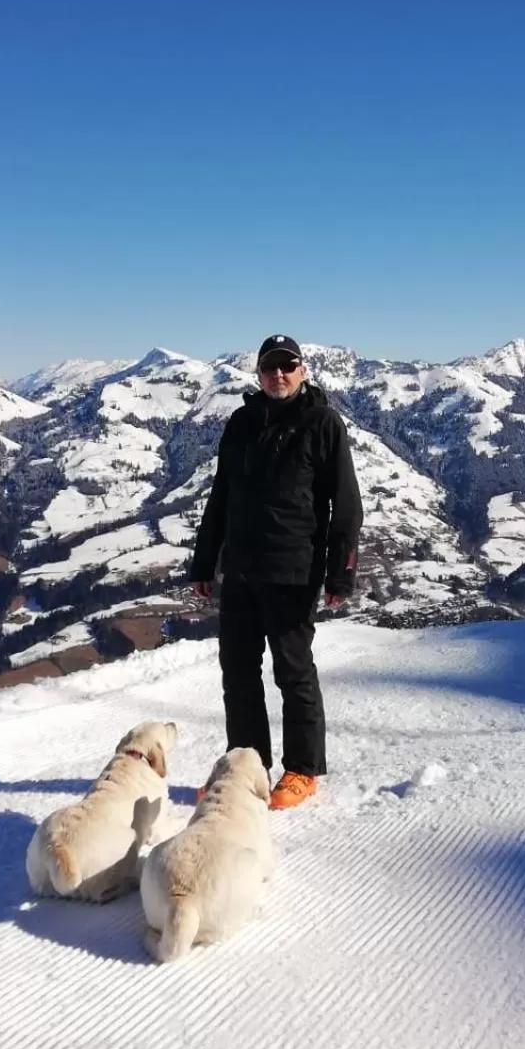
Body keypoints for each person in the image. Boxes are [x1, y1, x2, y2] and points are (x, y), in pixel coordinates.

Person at [189, 334, 363, 810]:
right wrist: (205, 560)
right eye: (270, 367)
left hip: (292, 571)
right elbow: (221, 496)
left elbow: (346, 505)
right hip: (241, 570)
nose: (279, 374)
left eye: (288, 366)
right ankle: (246, 770)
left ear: (302, 370)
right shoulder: (242, 423)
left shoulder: (323, 423)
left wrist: (340, 571)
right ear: (259, 374)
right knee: (238, 672)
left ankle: (303, 770)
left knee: (293, 670)